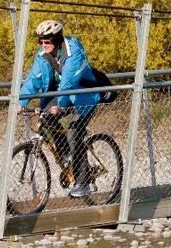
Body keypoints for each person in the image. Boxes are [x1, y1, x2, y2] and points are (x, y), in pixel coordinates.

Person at [20, 19, 108, 197]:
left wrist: (59, 104)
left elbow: (68, 81)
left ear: (57, 39)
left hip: (84, 95)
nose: (43, 45)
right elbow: (32, 79)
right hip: (64, 94)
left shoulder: (73, 51)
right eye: (40, 41)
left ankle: (83, 183)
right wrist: (21, 102)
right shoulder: (43, 55)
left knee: (74, 134)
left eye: (47, 41)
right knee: (46, 119)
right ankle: (69, 156)